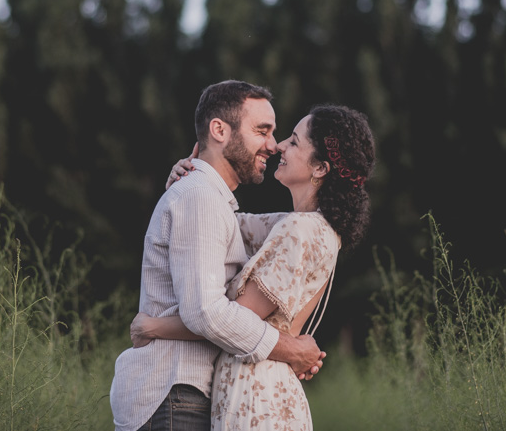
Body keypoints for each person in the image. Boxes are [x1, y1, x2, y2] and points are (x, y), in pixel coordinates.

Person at [132, 104, 376, 431]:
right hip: (261, 391)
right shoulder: (308, 228)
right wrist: (194, 175)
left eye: (294, 141)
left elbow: (227, 319)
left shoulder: (300, 232)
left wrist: (153, 327)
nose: (279, 146)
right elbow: (218, 224)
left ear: (320, 168)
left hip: (255, 396)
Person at [109, 80, 325, 431]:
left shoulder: (212, 202)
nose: (273, 145)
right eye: (262, 130)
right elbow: (205, 312)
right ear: (219, 130)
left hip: (184, 396)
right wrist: (289, 349)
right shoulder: (200, 199)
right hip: (175, 394)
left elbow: (299, 229)